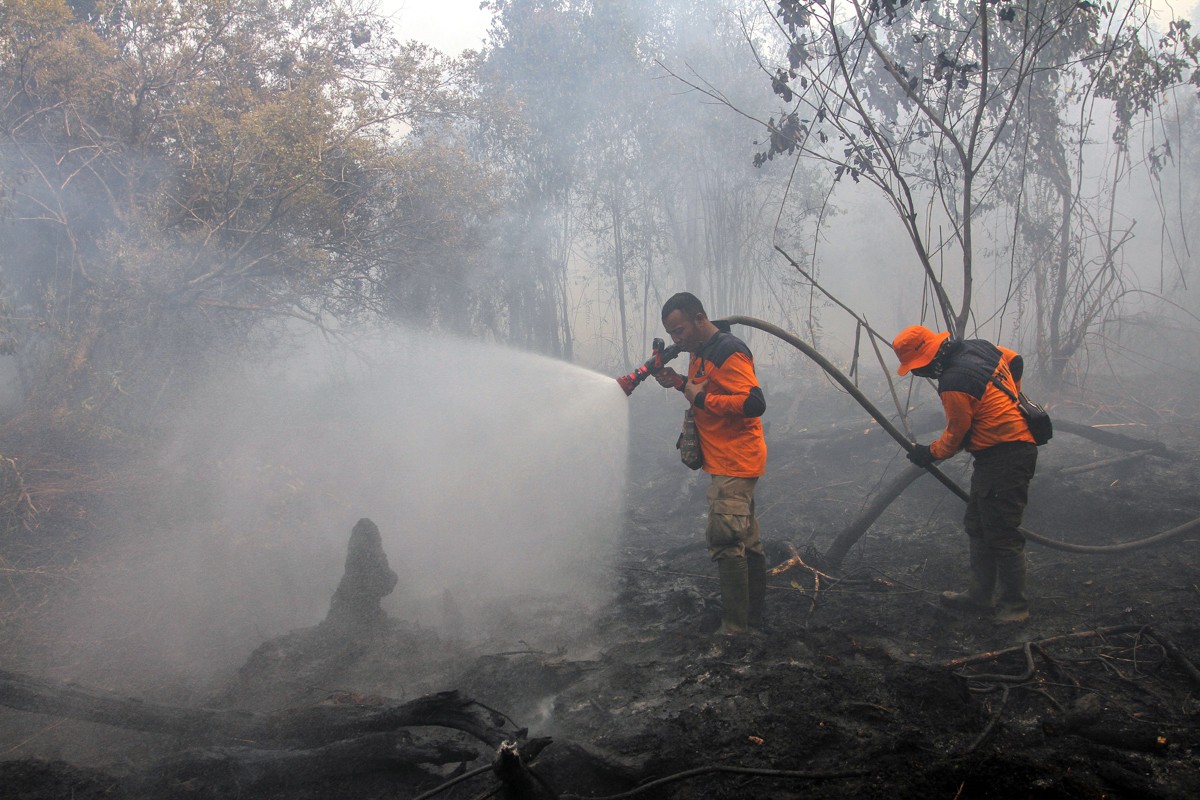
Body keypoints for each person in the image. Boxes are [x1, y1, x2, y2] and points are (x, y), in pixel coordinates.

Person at [891, 325, 1038, 624]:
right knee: (977, 524)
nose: (921, 375)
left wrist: (928, 453)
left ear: (927, 360)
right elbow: (1014, 360)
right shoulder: (979, 346)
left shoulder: (953, 382)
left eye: (918, 370)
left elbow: (957, 434)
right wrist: (1014, 398)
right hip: (1002, 453)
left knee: (1001, 532)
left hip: (1005, 455)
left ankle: (1016, 606)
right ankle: (980, 596)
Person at [655, 293, 767, 635]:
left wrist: (700, 397)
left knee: (725, 539)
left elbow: (753, 403)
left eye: (680, 330)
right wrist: (679, 383)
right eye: (671, 333)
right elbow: (702, 389)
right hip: (725, 459)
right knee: (746, 540)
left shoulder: (726, 351)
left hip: (736, 460)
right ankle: (753, 617)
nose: (677, 339)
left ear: (700, 318)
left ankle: (735, 628)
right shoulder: (699, 352)